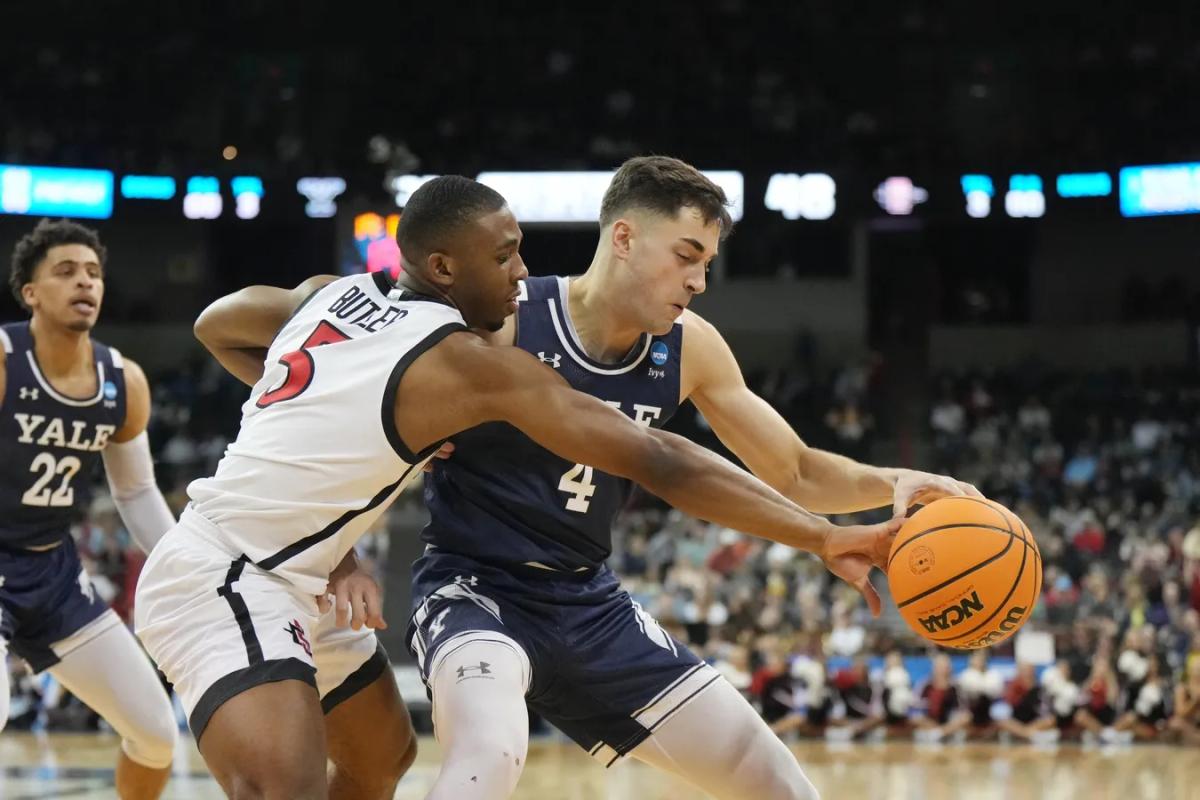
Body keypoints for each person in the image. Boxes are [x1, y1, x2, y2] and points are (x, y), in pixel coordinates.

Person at [135, 175, 903, 800]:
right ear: (442, 269)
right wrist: (823, 535)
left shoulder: (333, 294)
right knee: (286, 788)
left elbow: (219, 322)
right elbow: (659, 459)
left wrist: (330, 464)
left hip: (314, 575)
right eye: (504, 258)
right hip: (228, 572)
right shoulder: (468, 363)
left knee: (379, 761)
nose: (522, 274)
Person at [1, 219, 178, 799]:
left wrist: (185, 563)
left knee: (155, 733)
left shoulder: (122, 381)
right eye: (66, 271)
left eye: (95, 273)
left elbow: (134, 493)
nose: (86, 283)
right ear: (30, 292)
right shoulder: (4, 363)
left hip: (52, 571)